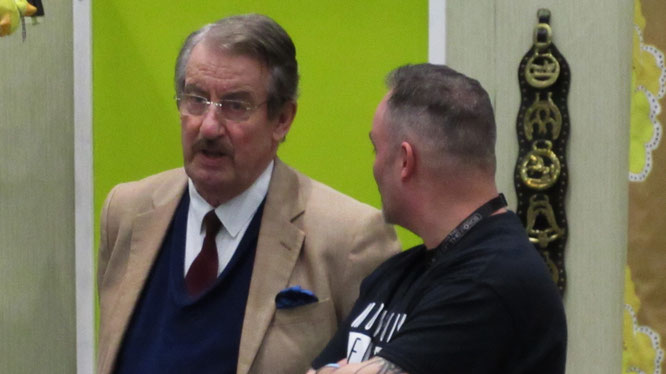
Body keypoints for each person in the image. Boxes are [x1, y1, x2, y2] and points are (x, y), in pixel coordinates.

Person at [96, 14, 400, 374]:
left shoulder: (350, 239)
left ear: (282, 119)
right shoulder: (127, 211)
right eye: (196, 100)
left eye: (235, 105)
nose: (209, 126)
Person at [309, 64, 567, 374]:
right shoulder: (397, 274)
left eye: (376, 149)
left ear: (405, 160)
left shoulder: (496, 281)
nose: (375, 166)